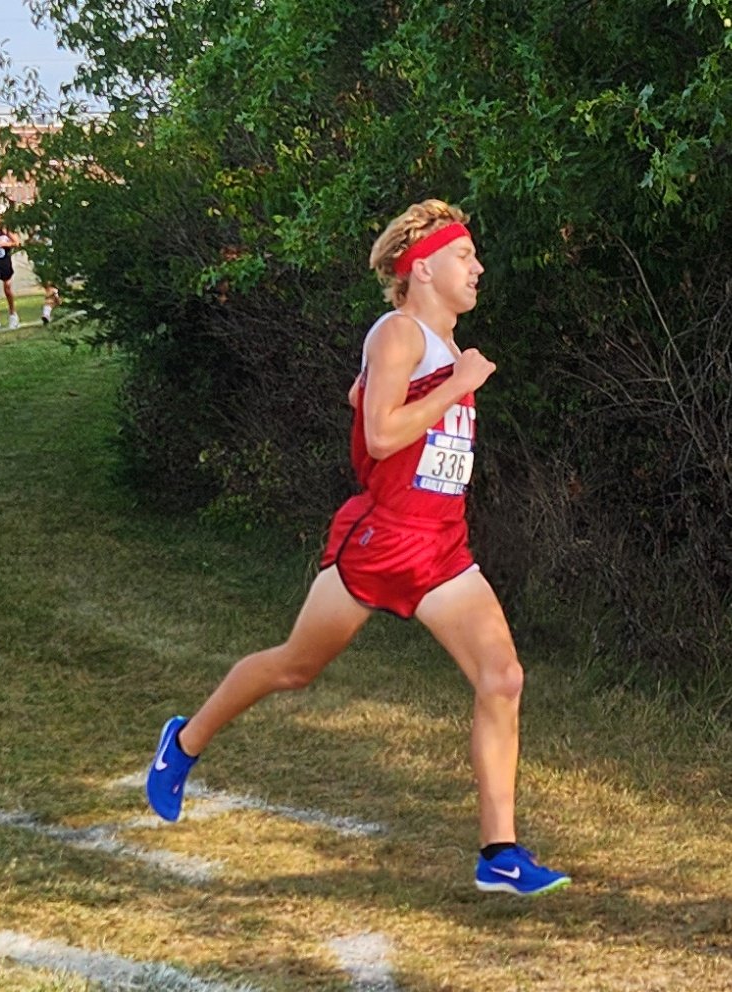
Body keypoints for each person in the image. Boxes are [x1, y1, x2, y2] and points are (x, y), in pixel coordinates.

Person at [146, 198, 571, 897]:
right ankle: (182, 744)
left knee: (503, 679)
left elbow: (363, 399)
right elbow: (377, 438)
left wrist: (420, 380)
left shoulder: (424, 346)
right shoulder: (398, 331)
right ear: (423, 268)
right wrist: (457, 384)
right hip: (381, 540)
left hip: (441, 546)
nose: (478, 268)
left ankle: (499, 852)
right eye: (465, 257)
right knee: (293, 668)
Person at [0, 207, 21, 333]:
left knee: (7, 287)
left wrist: (3, 244)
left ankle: (13, 313)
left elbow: (17, 243)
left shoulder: (5, 229)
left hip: (4, 260)